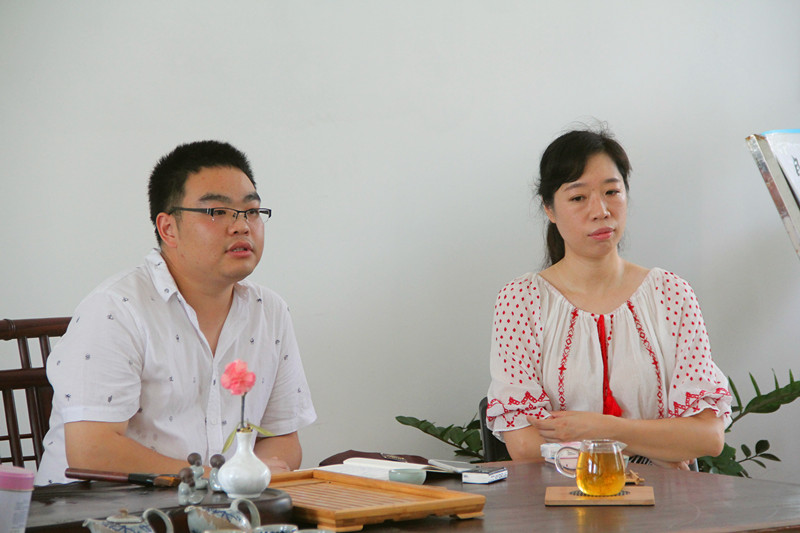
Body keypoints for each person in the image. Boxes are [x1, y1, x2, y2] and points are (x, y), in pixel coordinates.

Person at [35, 140, 316, 485]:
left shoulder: (270, 311)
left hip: (219, 508)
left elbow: (282, 438)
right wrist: (219, 479)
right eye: (217, 211)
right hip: (99, 508)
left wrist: (236, 484)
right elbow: (92, 451)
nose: (242, 226)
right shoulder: (116, 309)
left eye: (251, 211)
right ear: (168, 228)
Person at [485, 128, 731, 468]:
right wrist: (657, 443)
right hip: (562, 496)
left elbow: (708, 437)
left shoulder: (671, 294)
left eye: (612, 192)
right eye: (578, 198)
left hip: (663, 499)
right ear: (550, 209)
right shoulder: (521, 301)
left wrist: (601, 429)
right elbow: (526, 445)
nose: (600, 210)